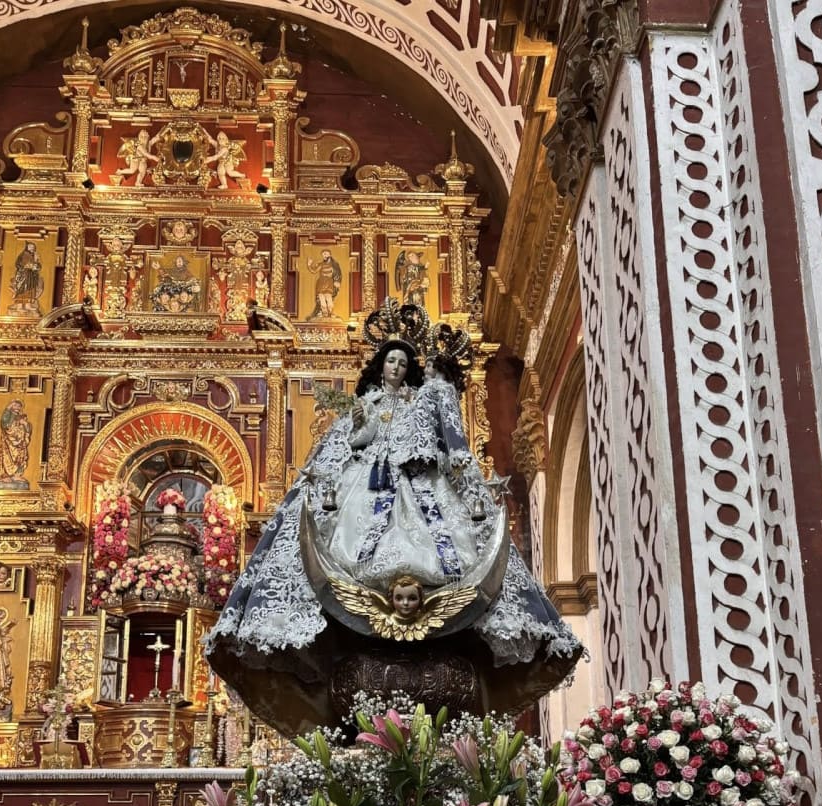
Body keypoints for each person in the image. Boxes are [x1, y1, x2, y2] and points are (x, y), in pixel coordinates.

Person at [206, 303, 582, 735]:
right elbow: (352, 442)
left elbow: (447, 447)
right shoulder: (366, 403)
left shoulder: (420, 402)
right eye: (391, 361)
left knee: (439, 540)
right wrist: (359, 429)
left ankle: (423, 588)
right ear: (380, 366)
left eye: (404, 363)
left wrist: (468, 488)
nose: (397, 368)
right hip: (369, 482)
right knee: (354, 538)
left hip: (418, 482)